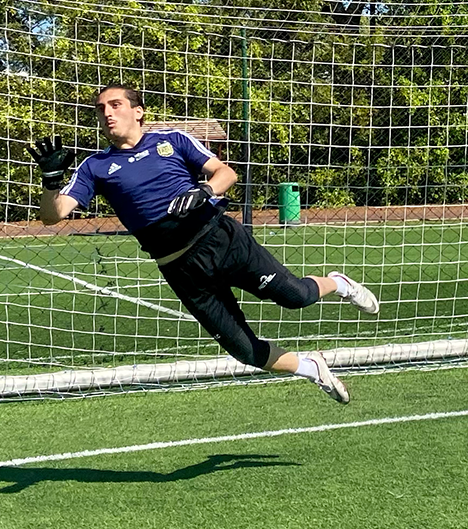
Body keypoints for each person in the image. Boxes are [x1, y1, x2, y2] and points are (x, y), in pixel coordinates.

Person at [29, 85, 377, 403]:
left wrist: (205, 190)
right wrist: (49, 181)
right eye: (101, 108)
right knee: (244, 351)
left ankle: (340, 283)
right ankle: (311, 367)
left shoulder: (174, 141)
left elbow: (226, 173)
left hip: (220, 240)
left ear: (138, 111)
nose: (107, 113)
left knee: (296, 297)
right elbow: (53, 215)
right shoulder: (95, 166)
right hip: (180, 268)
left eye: (116, 105)